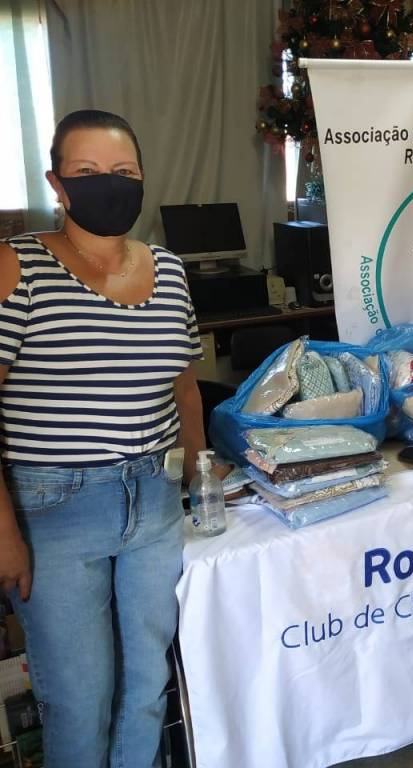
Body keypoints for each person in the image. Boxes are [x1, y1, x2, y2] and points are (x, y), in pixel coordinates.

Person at [0, 110, 213, 765]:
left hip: (154, 498)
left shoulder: (169, 270)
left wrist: (203, 474)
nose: (107, 183)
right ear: (57, 184)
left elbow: (184, 388)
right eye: (86, 171)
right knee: (80, 701)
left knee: (147, 686)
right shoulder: (17, 266)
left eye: (122, 171)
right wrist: (3, 533)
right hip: (54, 511)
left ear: (142, 178)